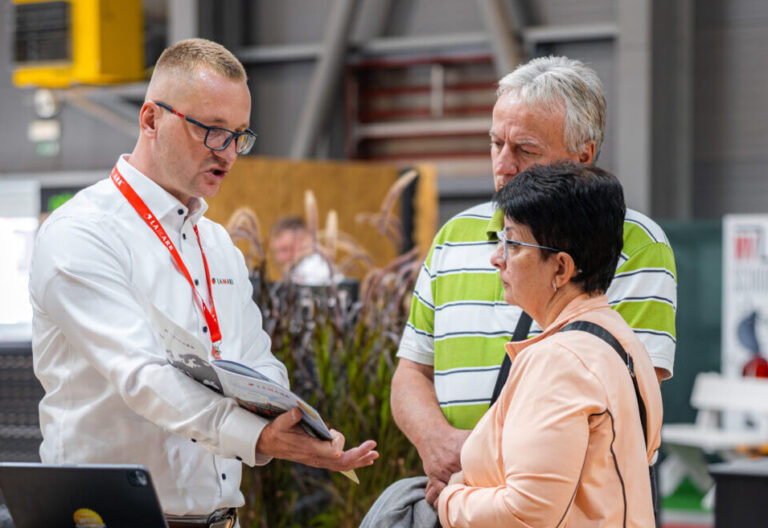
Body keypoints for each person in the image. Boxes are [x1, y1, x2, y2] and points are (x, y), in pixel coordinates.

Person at [28, 38, 377, 525]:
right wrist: (255, 436)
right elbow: (143, 377)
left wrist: (289, 421)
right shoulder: (82, 233)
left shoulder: (216, 244)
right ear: (150, 120)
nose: (229, 154)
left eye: (239, 135)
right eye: (211, 131)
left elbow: (257, 360)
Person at [391, 55, 677, 506]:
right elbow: (411, 371)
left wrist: (475, 464)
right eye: (495, 143)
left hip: (572, 505)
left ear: (583, 154)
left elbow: (625, 403)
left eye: (525, 149)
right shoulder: (452, 238)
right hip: (461, 496)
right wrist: (437, 442)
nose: (503, 165)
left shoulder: (635, 245)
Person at [437, 161, 663, 527]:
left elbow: (524, 514)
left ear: (561, 268)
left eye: (512, 242)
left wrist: (450, 499)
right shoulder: (621, 340)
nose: (497, 258)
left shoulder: (559, 361)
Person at [269, 216, 335, 285]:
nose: (280, 258)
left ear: (304, 240)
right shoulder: (296, 269)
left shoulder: (313, 266)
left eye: (285, 249)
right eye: (276, 252)